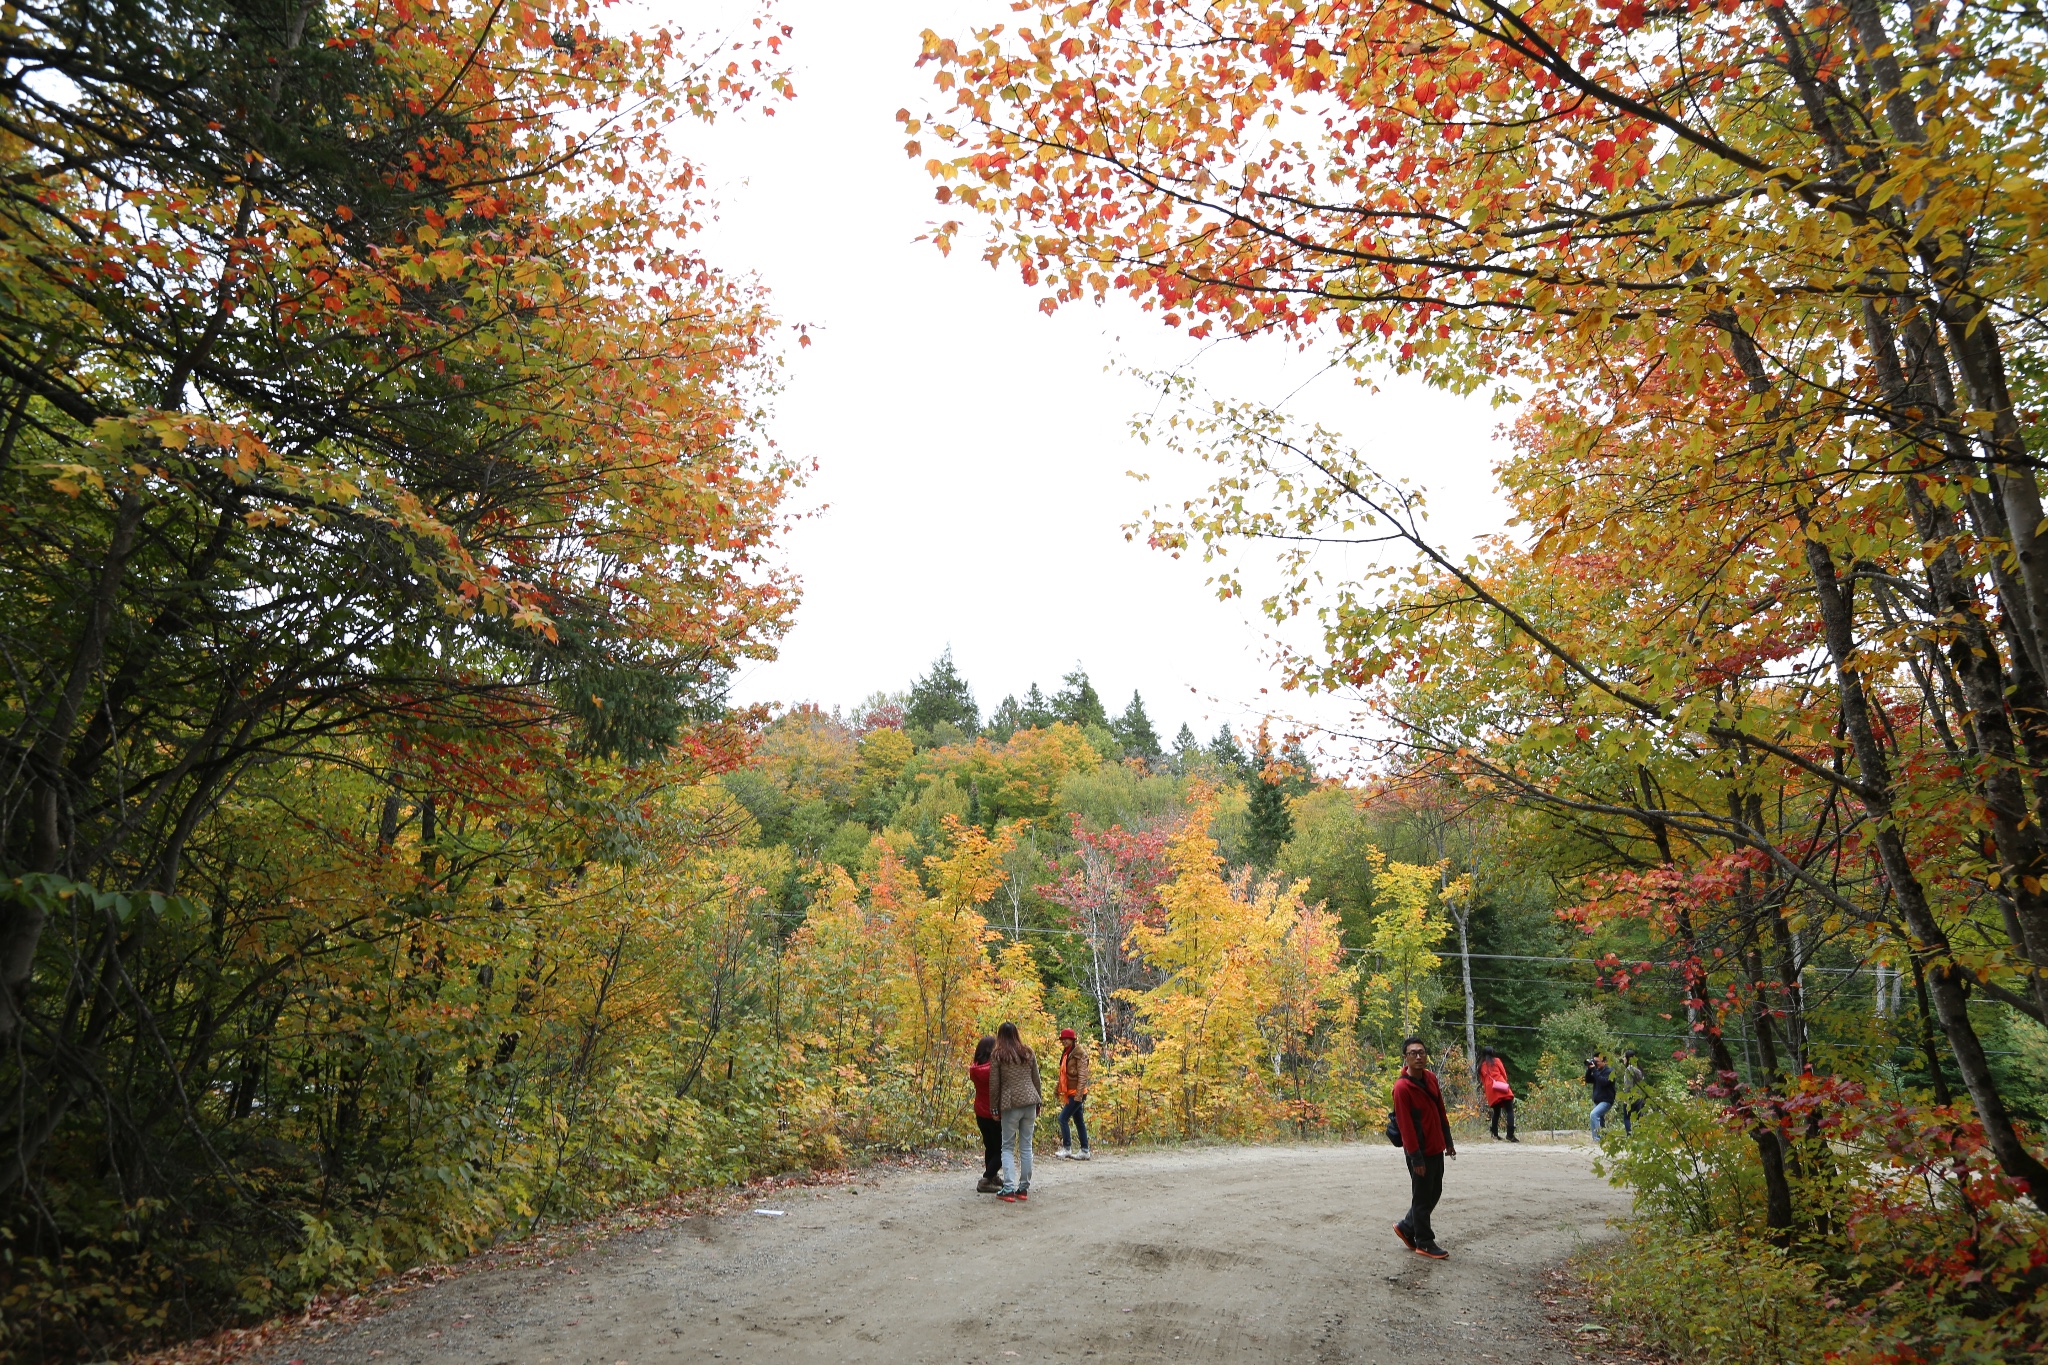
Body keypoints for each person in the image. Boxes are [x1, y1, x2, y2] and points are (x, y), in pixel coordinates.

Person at [1391, 1035, 1456, 1260]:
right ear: (1406, 1058)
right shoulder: (1402, 1088)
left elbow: (1440, 1111)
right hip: (1419, 1151)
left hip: (1436, 1146)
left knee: (1434, 1192)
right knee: (1421, 1197)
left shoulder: (1430, 1078)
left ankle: (1407, 1227)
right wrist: (1415, 1158)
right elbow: (1406, 1127)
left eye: (1421, 1052)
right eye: (1413, 1053)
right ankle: (1424, 1242)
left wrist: (1448, 1141)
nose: (1418, 1057)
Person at [988, 1021, 1043, 1203]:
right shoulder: (1028, 1052)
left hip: (1010, 1104)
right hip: (1030, 1101)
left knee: (1008, 1147)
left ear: (1000, 1036)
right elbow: (1036, 1079)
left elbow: (994, 1085)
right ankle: (1023, 1188)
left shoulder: (998, 1055)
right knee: (1026, 1146)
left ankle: (1009, 1188)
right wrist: (1039, 1102)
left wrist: (994, 1108)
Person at [969, 1035, 1001, 1193]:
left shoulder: (974, 1069)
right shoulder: (993, 1069)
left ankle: (992, 1176)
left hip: (980, 1111)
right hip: (994, 1112)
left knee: (990, 1146)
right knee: (1002, 1149)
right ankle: (987, 1178)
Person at [1054, 1027, 1092, 1160]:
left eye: (1067, 1039)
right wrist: (1057, 1089)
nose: (1064, 1041)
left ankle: (1067, 1148)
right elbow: (1063, 1074)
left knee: (1062, 1118)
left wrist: (1079, 1095)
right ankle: (1085, 1150)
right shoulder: (1066, 1053)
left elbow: (1083, 1076)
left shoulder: (1079, 1054)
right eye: (1062, 1039)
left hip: (1077, 1093)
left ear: (1072, 1040)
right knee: (1079, 1121)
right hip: (1070, 1092)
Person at [1478, 1046, 1517, 1142]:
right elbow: (1503, 1074)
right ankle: (1510, 1135)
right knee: (1509, 1111)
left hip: (1491, 1090)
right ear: (1492, 1053)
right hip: (1501, 1087)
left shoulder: (1481, 1066)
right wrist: (1503, 1082)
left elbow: (1483, 1080)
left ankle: (1494, 1134)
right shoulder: (1496, 1061)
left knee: (1496, 1112)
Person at [1584, 1053, 1616, 1142]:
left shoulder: (1610, 1072)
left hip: (1606, 1100)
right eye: (1594, 1061)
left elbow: (1603, 1082)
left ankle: (1597, 1139)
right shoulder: (1597, 1071)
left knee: (1594, 1114)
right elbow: (1588, 1080)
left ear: (1605, 1062)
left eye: (1597, 1062)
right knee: (1600, 1120)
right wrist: (1589, 1069)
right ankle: (1604, 1138)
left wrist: (1594, 1070)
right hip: (1597, 1100)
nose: (1596, 1063)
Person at [1617, 1049, 1647, 1136]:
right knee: (1639, 1117)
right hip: (1640, 1096)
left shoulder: (1629, 1070)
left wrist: (1626, 1098)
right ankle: (1641, 1135)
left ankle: (1630, 1135)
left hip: (1631, 1097)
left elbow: (1628, 1085)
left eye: (1624, 1057)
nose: (1623, 1059)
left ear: (1628, 1058)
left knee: (1627, 1117)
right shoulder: (1639, 1069)